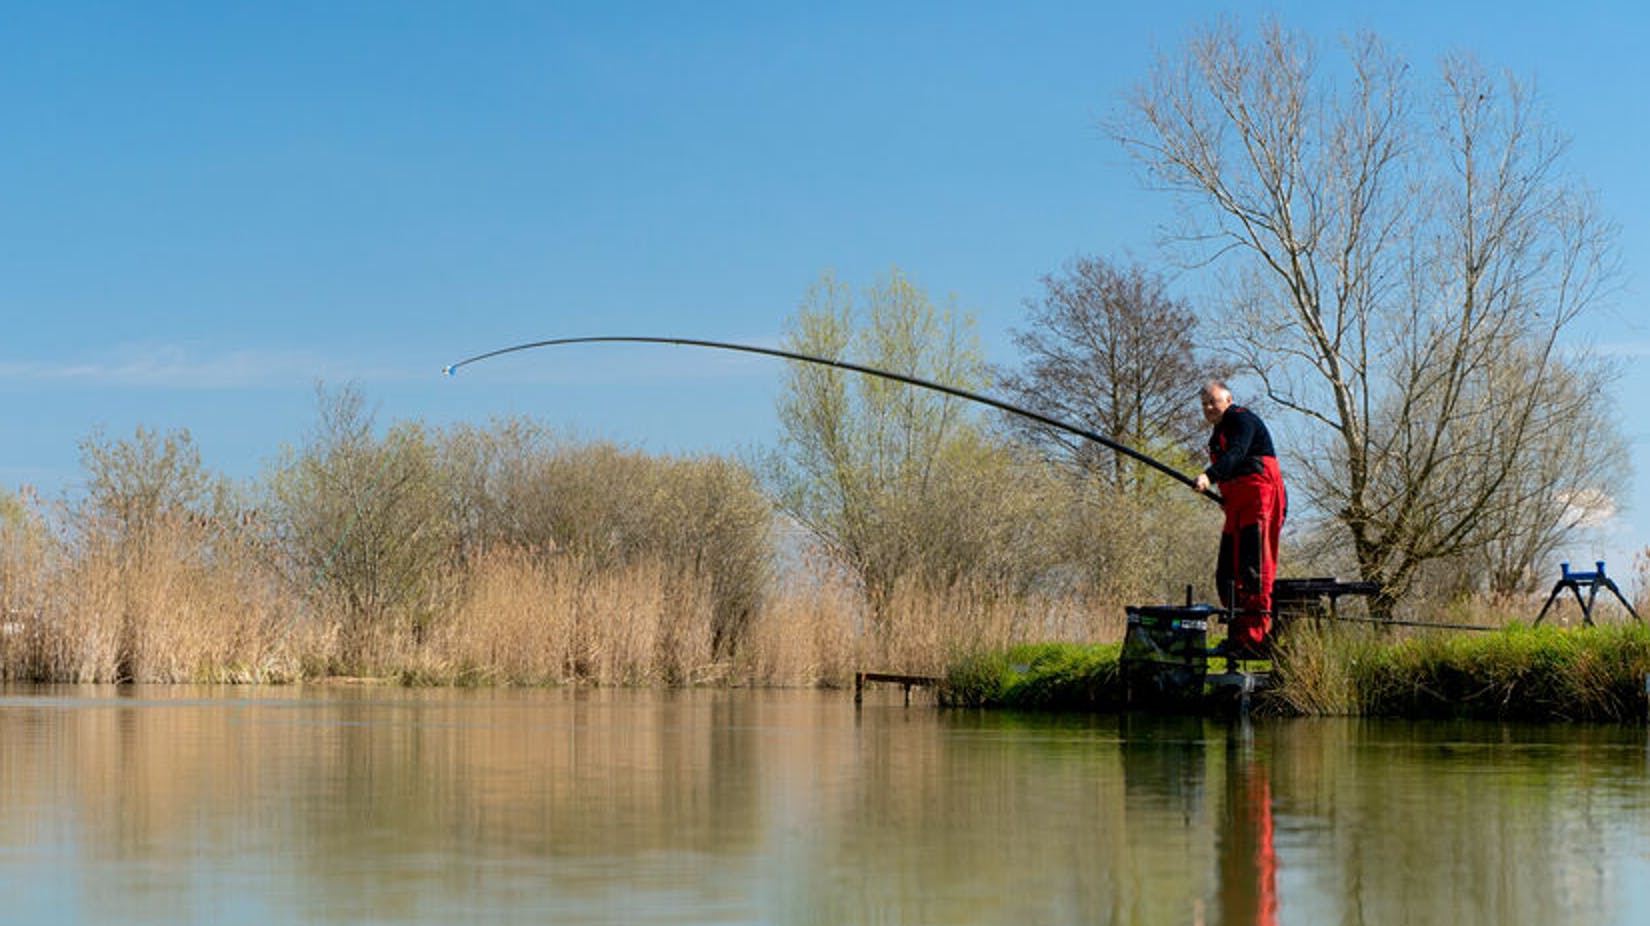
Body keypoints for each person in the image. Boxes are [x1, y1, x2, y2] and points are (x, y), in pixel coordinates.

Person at [1192, 381, 1287, 656]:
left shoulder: (1242, 419)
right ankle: (1238, 637)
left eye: (1214, 401)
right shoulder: (1215, 435)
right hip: (1235, 508)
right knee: (1226, 576)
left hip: (1259, 502)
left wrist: (1209, 476)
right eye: (1204, 404)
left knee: (1253, 572)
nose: (1209, 408)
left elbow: (1237, 454)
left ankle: (1255, 641)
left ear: (1229, 399)